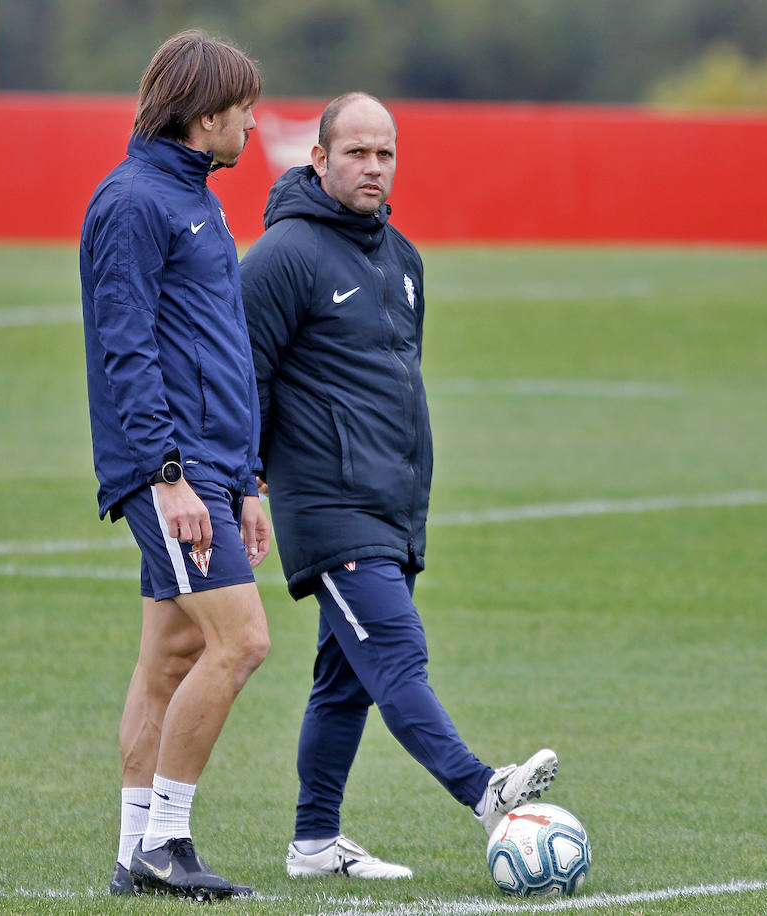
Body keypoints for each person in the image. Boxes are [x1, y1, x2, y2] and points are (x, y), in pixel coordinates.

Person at [239, 92, 558, 881]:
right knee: (397, 655)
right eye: (356, 153)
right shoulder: (283, 257)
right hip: (328, 505)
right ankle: (484, 791)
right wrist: (244, 481)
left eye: (385, 153)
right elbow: (242, 378)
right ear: (318, 160)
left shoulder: (402, 259)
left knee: (343, 683)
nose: (373, 167)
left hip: (393, 504)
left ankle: (314, 842)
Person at [79, 29, 271, 901]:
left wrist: (250, 480)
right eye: (242, 112)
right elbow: (127, 350)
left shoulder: (195, 196)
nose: (254, 126)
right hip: (172, 469)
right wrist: (172, 475)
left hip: (213, 467)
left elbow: (218, 348)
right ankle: (168, 839)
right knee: (241, 642)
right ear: (203, 119)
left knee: (171, 657)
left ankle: (132, 856)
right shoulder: (131, 202)